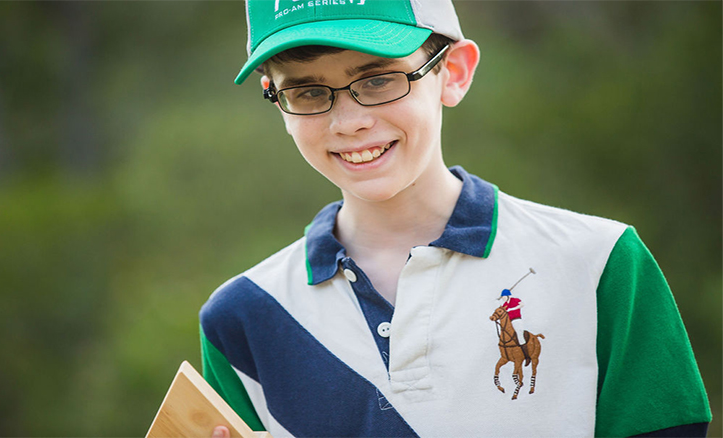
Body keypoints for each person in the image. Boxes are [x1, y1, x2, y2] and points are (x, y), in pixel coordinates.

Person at [199, 1, 712, 436]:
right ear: (276, 97)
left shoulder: (600, 263)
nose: (349, 121)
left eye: (378, 80)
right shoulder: (242, 315)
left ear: (455, 72)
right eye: (308, 92)